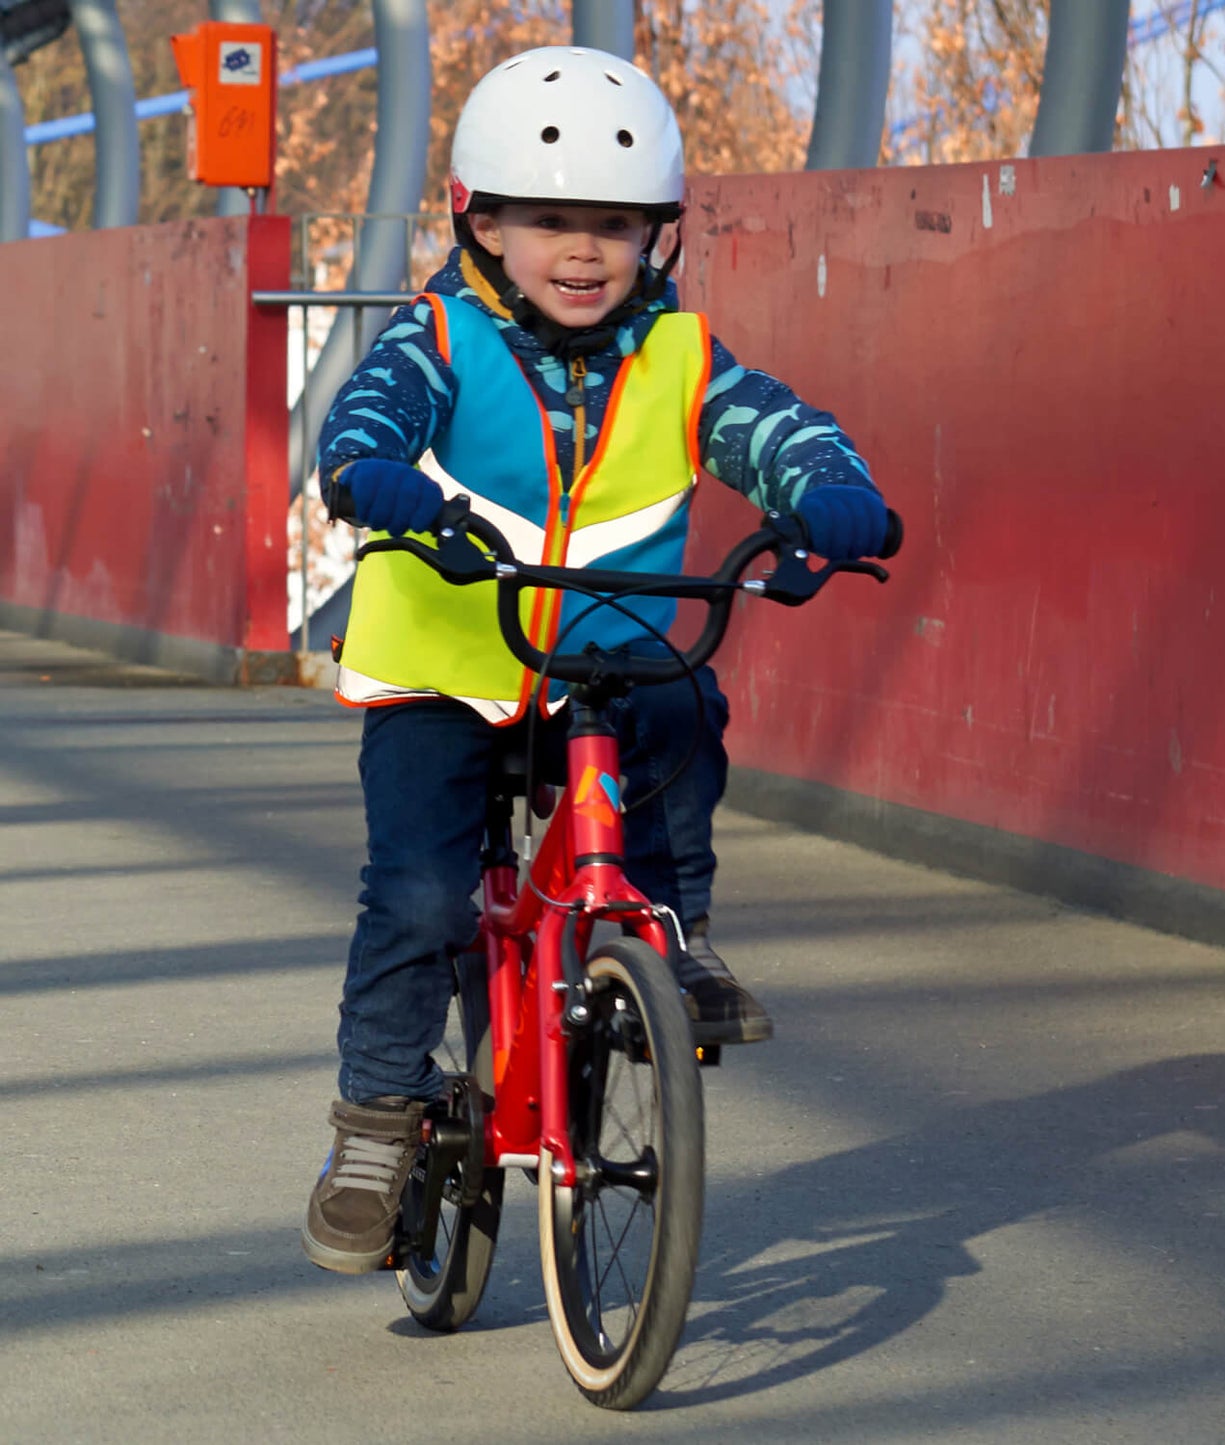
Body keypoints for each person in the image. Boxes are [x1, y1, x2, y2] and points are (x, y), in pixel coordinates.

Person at [303, 45, 890, 1274]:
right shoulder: (437, 343)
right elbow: (362, 425)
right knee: (417, 894)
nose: (584, 251)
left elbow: (775, 428)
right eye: (550, 221)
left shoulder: (680, 356)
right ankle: (373, 1122)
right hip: (448, 667)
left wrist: (830, 489)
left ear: (655, 237)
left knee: (682, 708)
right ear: (480, 221)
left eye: (615, 227)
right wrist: (373, 475)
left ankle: (669, 933)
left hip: (602, 661)